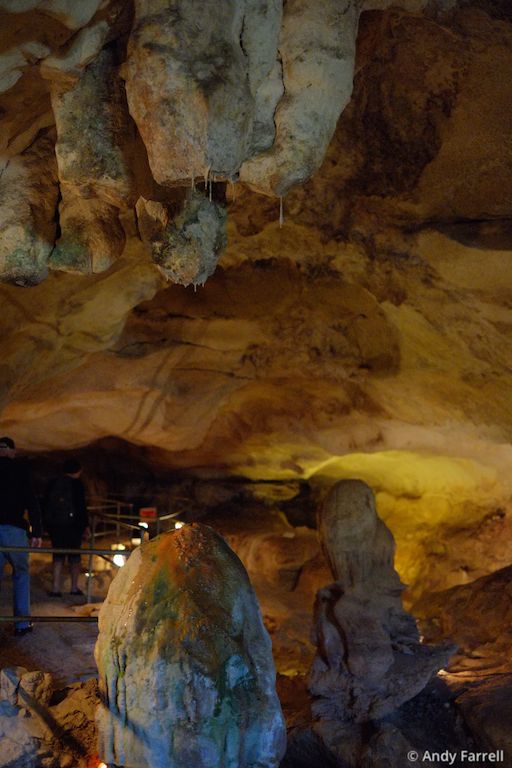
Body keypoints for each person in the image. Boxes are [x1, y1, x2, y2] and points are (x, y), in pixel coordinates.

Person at [0, 436, 42, 636]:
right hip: (14, 530)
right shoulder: (19, 471)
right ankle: (21, 624)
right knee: (21, 574)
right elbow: (31, 501)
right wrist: (37, 531)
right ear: (12, 451)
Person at [44, 459, 90, 597]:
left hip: (56, 526)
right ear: (77, 471)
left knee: (57, 557)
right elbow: (81, 507)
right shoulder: (77, 485)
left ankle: (56, 588)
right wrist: (85, 526)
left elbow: (46, 504)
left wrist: (47, 525)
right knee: (74, 557)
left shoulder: (53, 483)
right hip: (73, 526)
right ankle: (74, 588)